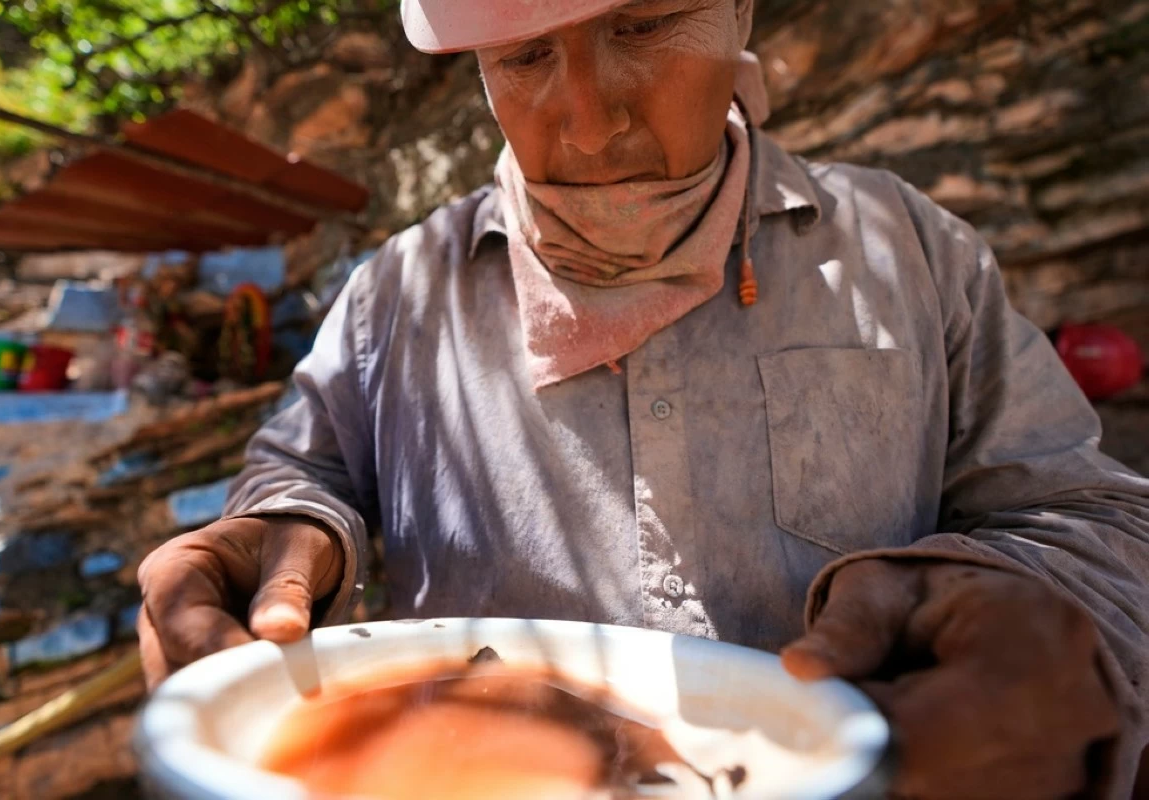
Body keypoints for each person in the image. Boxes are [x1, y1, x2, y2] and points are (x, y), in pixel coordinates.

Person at [136, 0, 1149, 795]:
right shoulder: (394, 294)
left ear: (740, 11)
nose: (587, 118)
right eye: (524, 57)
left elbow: (1092, 516)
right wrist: (285, 529)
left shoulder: (915, 257)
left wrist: (1019, 596)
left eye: (645, 24)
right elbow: (302, 472)